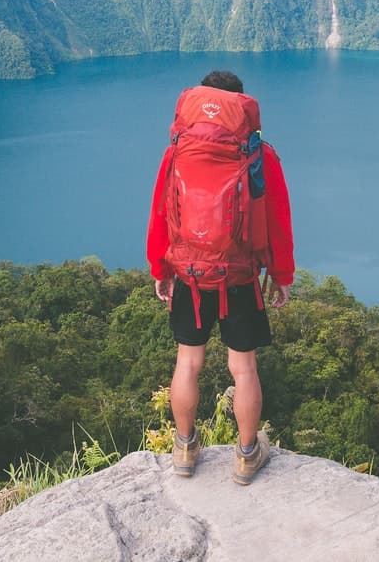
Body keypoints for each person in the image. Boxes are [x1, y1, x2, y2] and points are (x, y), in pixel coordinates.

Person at [146, 69, 295, 484]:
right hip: (240, 276)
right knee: (243, 369)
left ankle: (184, 449)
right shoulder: (258, 154)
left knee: (187, 363)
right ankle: (247, 455)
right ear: (240, 106)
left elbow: (160, 210)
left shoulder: (177, 150)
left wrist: (161, 268)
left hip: (190, 274)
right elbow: (279, 221)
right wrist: (282, 274)